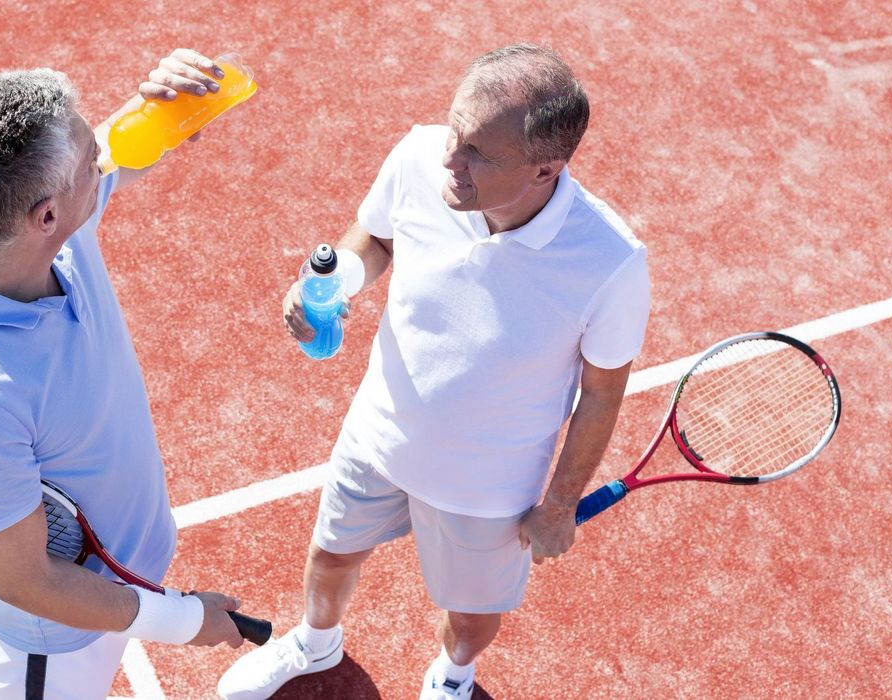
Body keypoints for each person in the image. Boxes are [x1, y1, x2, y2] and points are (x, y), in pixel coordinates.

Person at [217, 44, 651, 700]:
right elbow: (379, 236)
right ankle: (314, 641)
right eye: (454, 130)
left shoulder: (610, 262)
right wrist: (339, 288)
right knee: (331, 556)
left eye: (478, 151)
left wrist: (558, 504)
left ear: (545, 168)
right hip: (378, 433)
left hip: (489, 485)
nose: (450, 158)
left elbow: (600, 392)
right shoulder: (423, 156)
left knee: (473, 618)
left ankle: (452, 676)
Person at [0, 49, 247, 699]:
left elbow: (120, 151)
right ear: (46, 216)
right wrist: (184, 619)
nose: (104, 157)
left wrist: (162, 117)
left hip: (115, 586)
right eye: (91, 159)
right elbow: (30, 581)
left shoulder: (27, 233)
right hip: (56, 638)